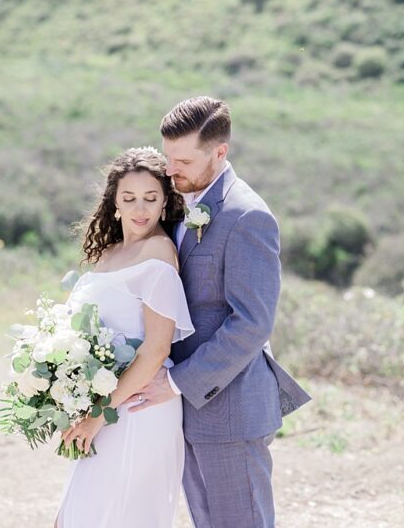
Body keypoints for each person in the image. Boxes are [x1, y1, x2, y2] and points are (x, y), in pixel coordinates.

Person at [128, 96, 311, 528]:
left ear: (220, 152)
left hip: (230, 411)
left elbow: (252, 324)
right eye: (168, 158)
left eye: (184, 161)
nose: (172, 171)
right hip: (187, 412)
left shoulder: (248, 216)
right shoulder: (178, 203)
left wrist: (175, 381)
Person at [57, 147, 194, 527]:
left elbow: (155, 350)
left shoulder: (160, 252)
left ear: (166, 202)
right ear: (114, 202)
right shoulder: (109, 252)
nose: (140, 209)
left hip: (136, 409)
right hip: (106, 405)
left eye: (151, 198)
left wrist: (98, 416)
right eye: (129, 198)